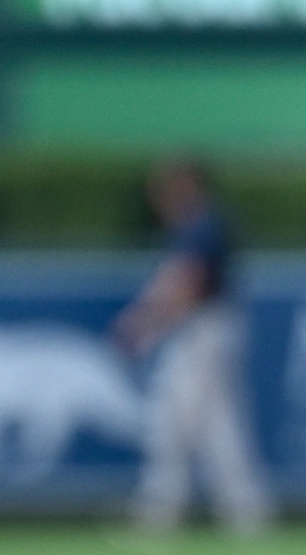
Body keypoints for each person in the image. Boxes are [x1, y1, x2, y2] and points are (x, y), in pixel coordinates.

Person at [116, 157, 274, 534]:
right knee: (219, 427)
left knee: (174, 422)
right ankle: (248, 514)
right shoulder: (196, 224)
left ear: (188, 185)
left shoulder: (202, 223)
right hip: (206, 330)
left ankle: (160, 512)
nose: (161, 197)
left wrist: (145, 325)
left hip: (205, 330)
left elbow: (189, 284)